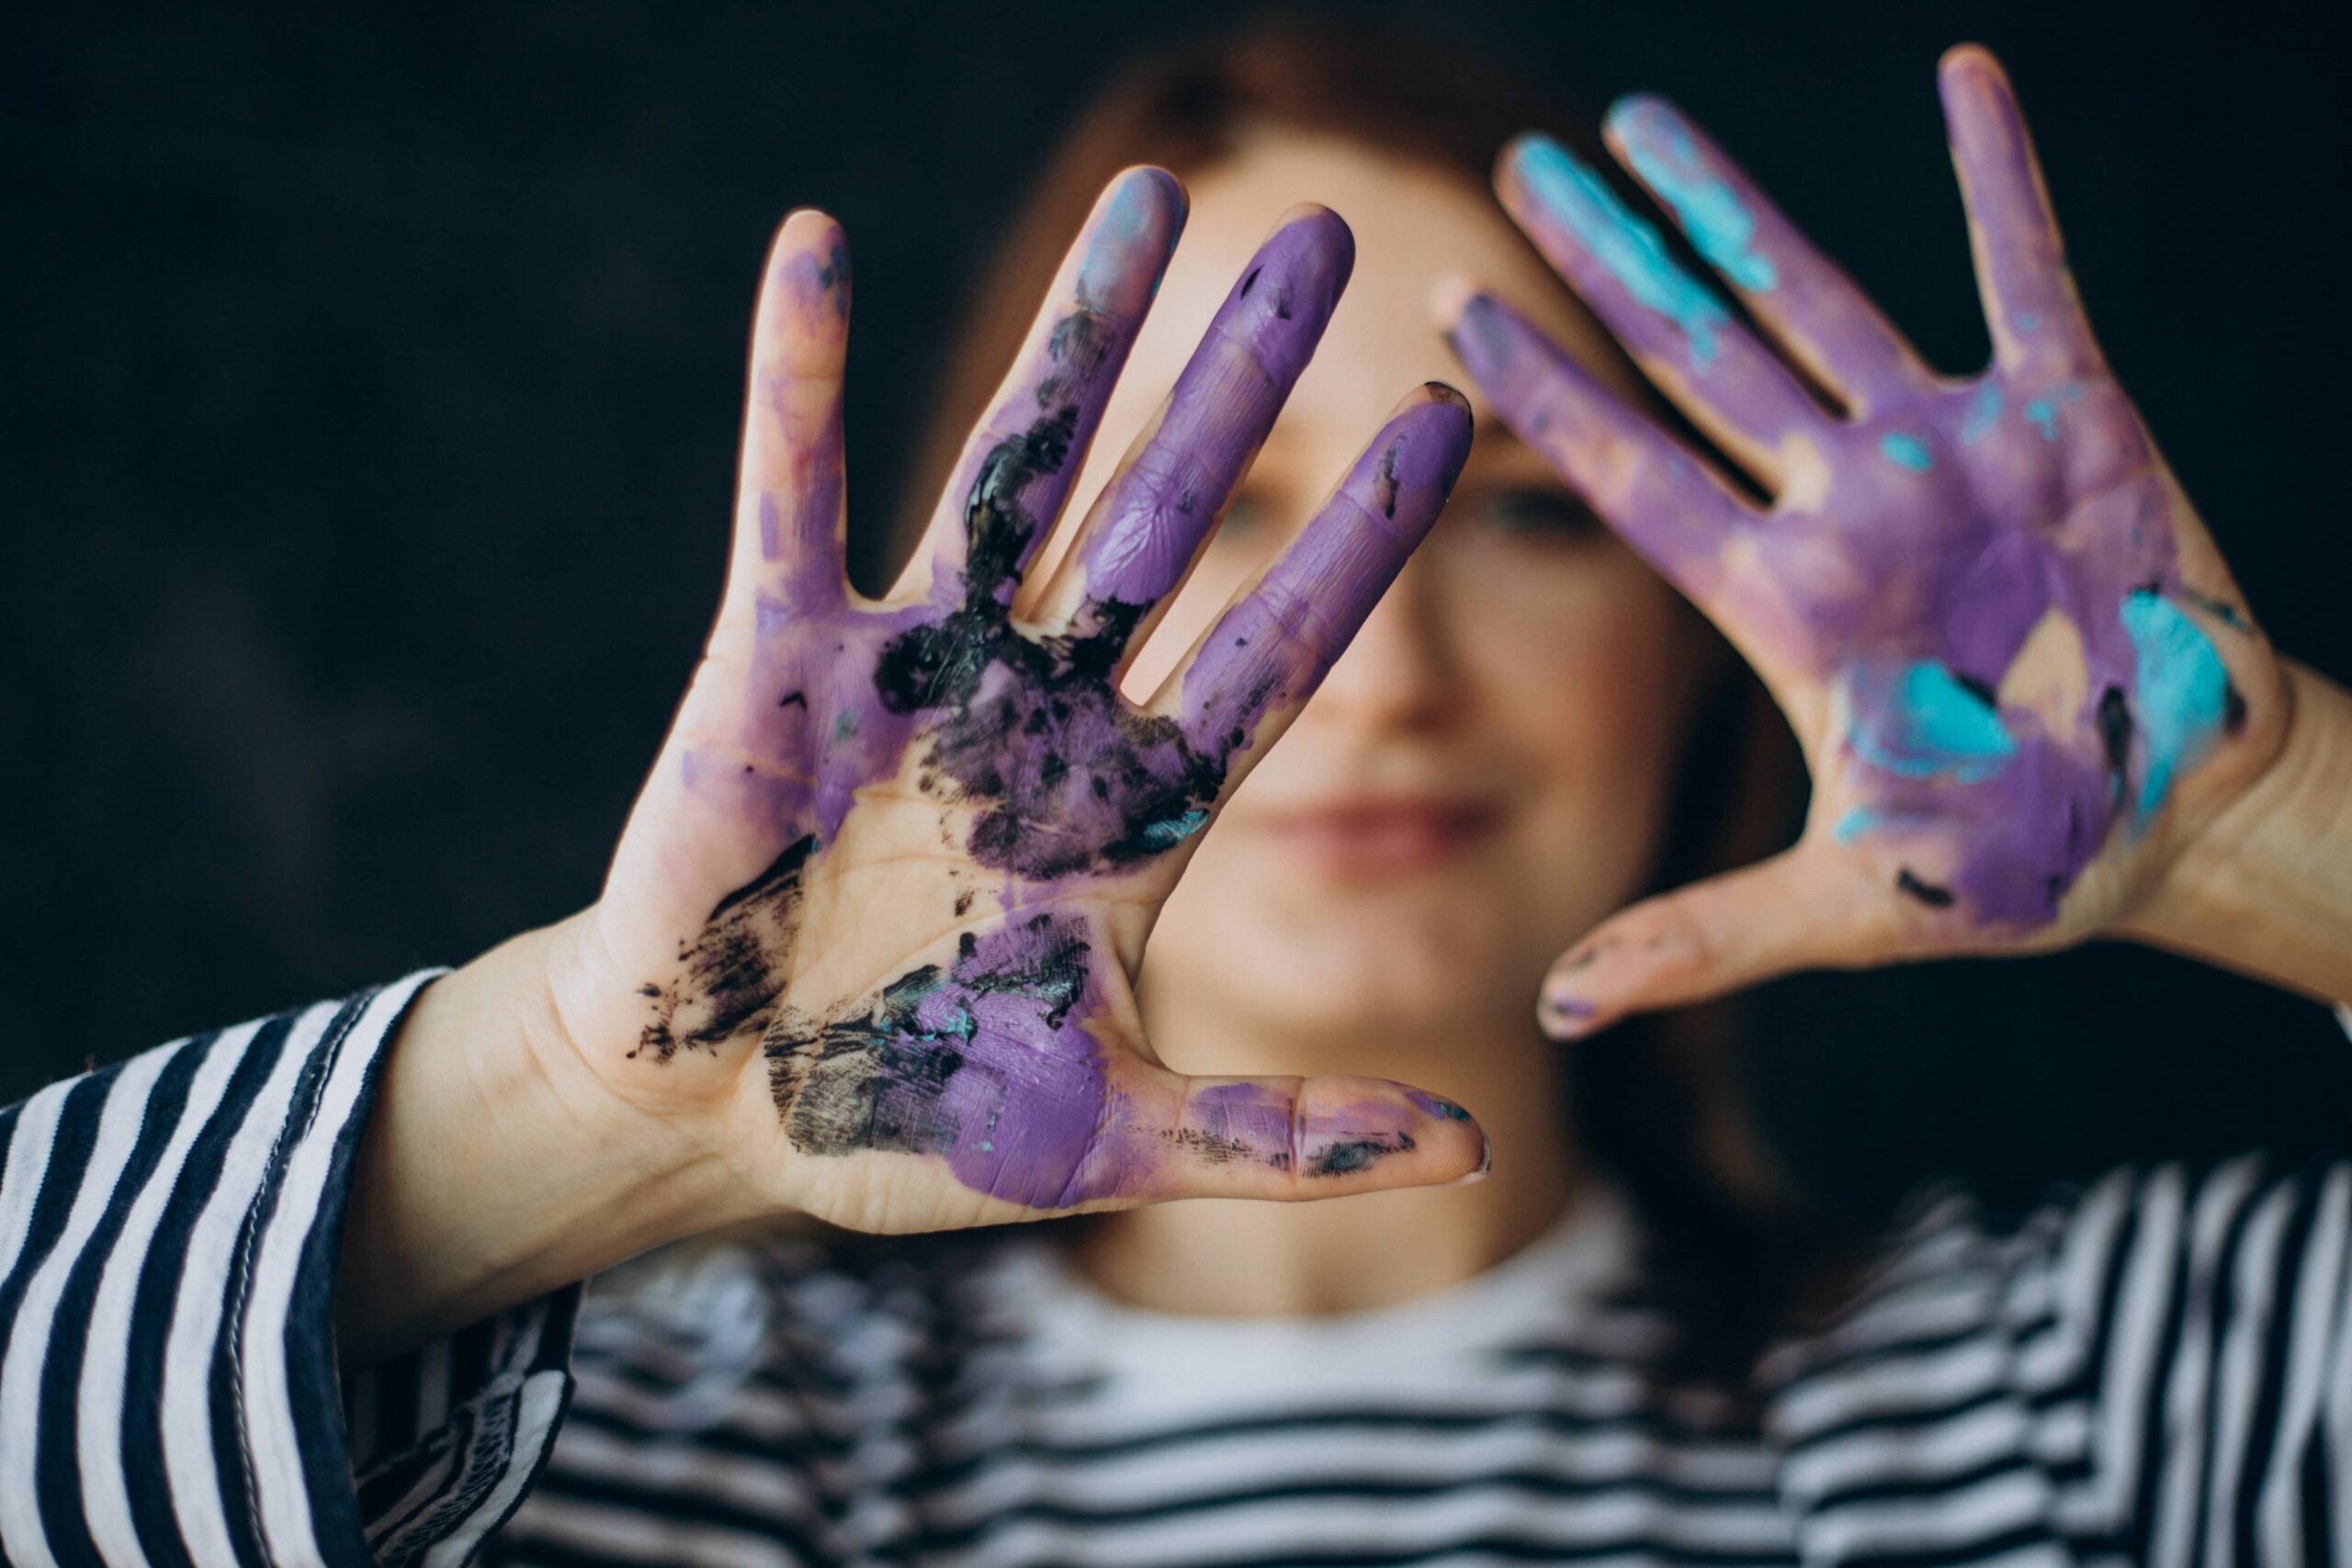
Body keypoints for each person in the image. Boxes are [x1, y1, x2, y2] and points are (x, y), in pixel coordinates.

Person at [4, 26, 2349, 1568]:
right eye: (1226, 512)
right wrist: (591, 1103)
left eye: (1524, 516)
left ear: (1702, 643)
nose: (1382, 667)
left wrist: (2274, 832)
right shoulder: (635, 1478)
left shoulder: (2102, 1408)